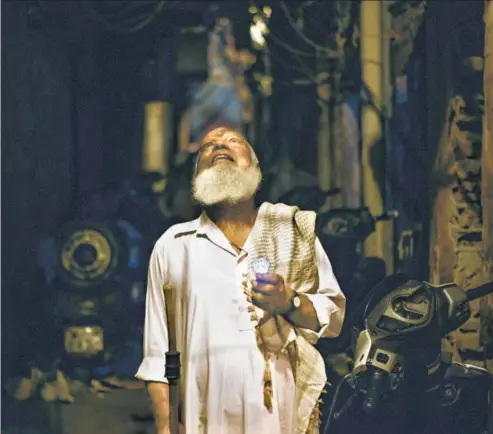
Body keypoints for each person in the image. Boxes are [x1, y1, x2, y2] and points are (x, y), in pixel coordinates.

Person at [136, 127, 346, 434]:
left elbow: (333, 318)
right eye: (208, 147)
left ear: (256, 169)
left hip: (278, 417)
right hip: (202, 420)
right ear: (197, 177)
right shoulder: (174, 245)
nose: (219, 144)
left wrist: (290, 302)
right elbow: (157, 357)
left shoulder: (292, 231)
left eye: (233, 141)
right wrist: (166, 426)